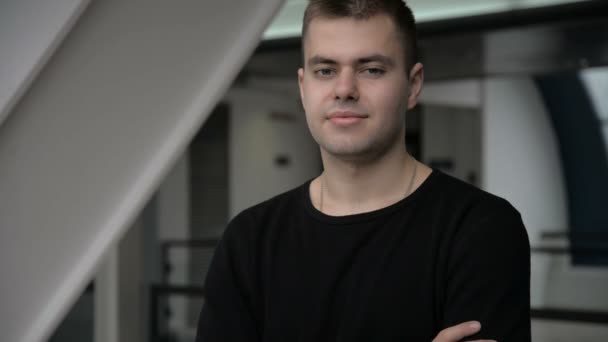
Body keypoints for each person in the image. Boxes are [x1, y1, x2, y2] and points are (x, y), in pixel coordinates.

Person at [195, 0, 531, 341]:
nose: (344, 89)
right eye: (325, 70)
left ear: (413, 85)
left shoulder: (480, 229)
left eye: (371, 69)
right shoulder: (249, 240)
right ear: (303, 86)